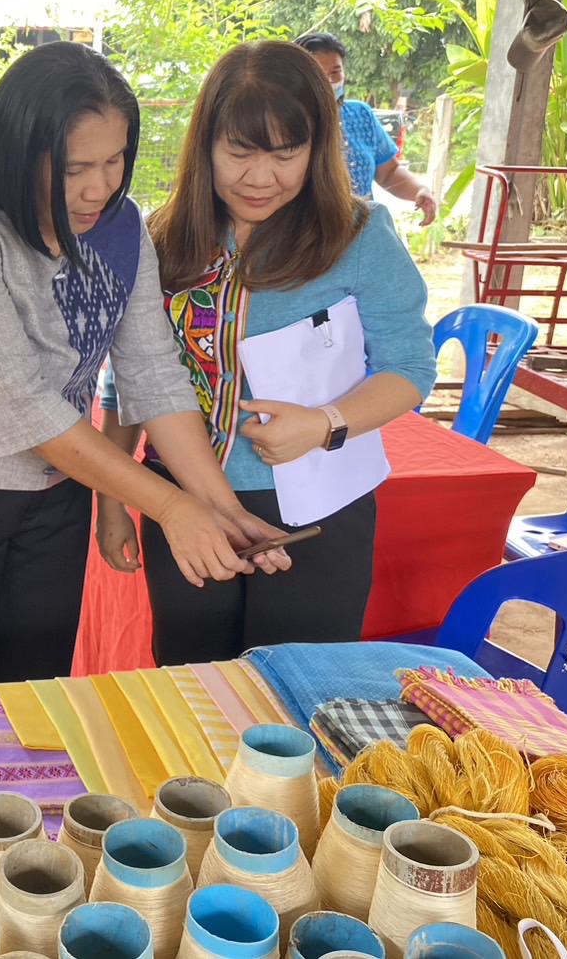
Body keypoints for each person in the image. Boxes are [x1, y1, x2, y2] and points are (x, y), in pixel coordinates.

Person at [0, 40, 289, 697]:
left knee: (39, 686)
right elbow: (22, 407)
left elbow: (153, 369)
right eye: (73, 168)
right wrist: (165, 504)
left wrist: (221, 508)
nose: (98, 187)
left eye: (113, 160)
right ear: (17, 151)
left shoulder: (119, 224)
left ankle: (24, 802)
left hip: (57, 487)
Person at [96, 40, 436, 665]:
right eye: (239, 152)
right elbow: (131, 385)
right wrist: (114, 500)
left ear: (318, 148)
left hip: (318, 511)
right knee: (193, 681)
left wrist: (325, 423)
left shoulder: (358, 237)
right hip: (183, 503)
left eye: (286, 154)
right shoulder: (162, 240)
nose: (260, 177)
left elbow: (410, 367)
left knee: (295, 692)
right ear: (205, 146)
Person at [293, 32, 438, 226]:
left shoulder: (360, 115)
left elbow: (388, 172)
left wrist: (419, 191)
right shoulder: (286, 124)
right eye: (318, 74)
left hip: (362, 232)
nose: (328, 81)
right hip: (307, 236)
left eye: (335, 72)